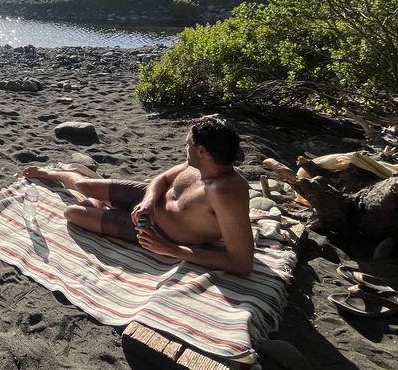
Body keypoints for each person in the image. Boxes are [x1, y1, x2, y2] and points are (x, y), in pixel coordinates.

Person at [22, 116, 254, 276]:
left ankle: (100, 205)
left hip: (154, 230)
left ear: (202, 151)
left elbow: (242, 263)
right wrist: (149, 200)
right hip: (146, 201)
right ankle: (56, 174)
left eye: (187, 145)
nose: (185, 148)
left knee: (72, 213)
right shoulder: (197, 164)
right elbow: (162, 180)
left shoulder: (226, 192)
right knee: (82, 184)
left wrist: (171, 249)